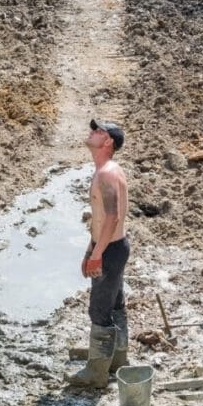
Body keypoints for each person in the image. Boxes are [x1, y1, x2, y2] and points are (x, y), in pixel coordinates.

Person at [70, 119, 131, 389]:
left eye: (98, 131)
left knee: (99, 310)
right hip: (114, 247)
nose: (91, 132)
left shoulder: (106, 173)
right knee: (115, 304)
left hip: (110, 249)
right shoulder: (109, 169)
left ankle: (96, 374)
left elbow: (111, 218)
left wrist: (98, 255)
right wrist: (90, 250)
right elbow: (99, 221)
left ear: (108, 143)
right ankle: (116, 360)